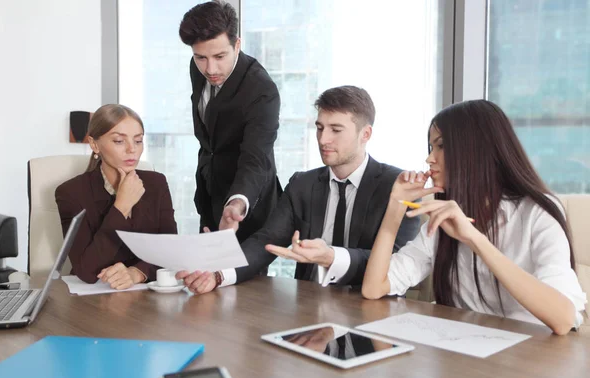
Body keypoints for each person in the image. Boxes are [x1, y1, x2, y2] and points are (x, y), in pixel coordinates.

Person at [361, 99, 587, 335]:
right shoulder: (444, 216)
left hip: (531, 355)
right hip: (466, 355)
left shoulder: (537, 211)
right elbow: (374, 288)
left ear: (477, 150)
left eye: (442, 146)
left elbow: (563, 318)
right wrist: (395, 207)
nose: (430, 159)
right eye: (431, 148)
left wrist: (473, 239)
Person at [177, 86, 420, 294]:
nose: (323, 139)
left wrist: (332, 257)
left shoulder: (398, 187)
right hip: (307, 308)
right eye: (319, 127)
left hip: (371, 309)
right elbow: (265, 242)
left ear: (365, 134)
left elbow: (396, 262)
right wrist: (218, 275)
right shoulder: (302, 184)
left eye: (336, 130)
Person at [179, 0, 281, 242]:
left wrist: (237, 202)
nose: (210, 68)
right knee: (204, 275)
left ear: (237, 45)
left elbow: (256, 159)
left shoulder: (262, 91)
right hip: (210, 194)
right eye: (200, 57)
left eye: (220, 56)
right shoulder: (199, 67)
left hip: (247, 205)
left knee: (243, 280)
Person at [55, 104, 177, 289]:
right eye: (119, 141)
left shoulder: (156, 183)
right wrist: (121, 207)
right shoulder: (71, 193)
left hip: (146, 296)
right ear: (94, 144)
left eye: (138, 141)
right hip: (93, 300)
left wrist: (137, 273)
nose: (132, 150)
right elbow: (86, 271)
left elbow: (171, 250)